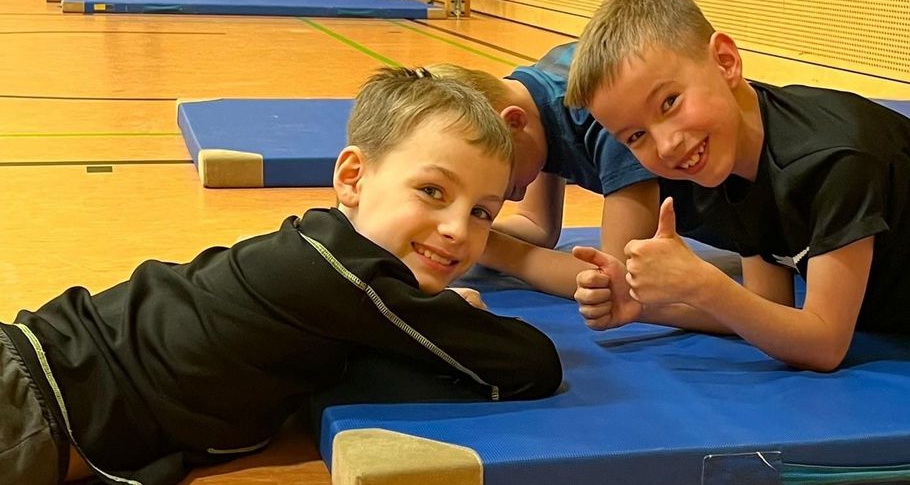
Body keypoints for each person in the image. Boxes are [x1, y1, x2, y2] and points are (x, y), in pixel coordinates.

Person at [0, 67, 562, 484]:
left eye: (482, 212)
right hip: (37, 398)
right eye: (432, 191)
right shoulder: (346, 280)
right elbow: (531, 365)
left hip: (46, 364)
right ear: (353, 178)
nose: (458, 229)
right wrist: (449, 316)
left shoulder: (320, 244)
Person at [566, 0, 910, 371]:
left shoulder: (830, 161)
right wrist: (643, 306)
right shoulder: (722, 157)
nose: (666, 145)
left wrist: (704, 285)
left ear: (725, 61)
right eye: (636, 136)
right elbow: (766, 307)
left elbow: (824, 345)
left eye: (670, 102)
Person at [430, 53, 658, 297]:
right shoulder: (529, 100)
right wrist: (467, 234)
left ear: (514, 122)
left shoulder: (605, 112)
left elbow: (617, 279)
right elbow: (536, 226)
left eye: (494, 178)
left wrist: (476, 243)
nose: (508, 196)